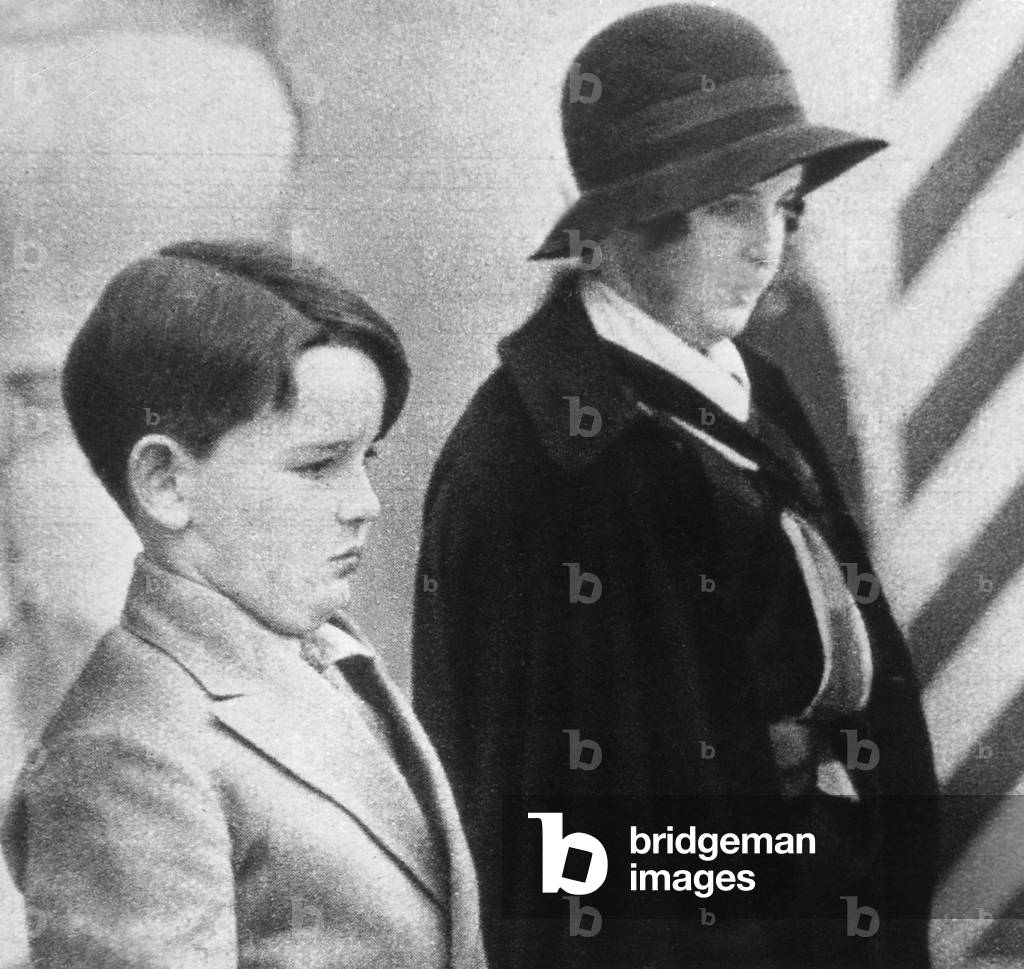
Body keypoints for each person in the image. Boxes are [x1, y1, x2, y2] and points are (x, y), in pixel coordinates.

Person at [412, 6, 938, 969]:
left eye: (785, 207)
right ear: (619, 227)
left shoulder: (747, 384)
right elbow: (566, 859)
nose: (767, 247)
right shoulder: (539, 466)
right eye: (731, 207)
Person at [1, 240, 487, 969]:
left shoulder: (326, 654)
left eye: (368, 459)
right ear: (166, 482)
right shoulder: (124, 755)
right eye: (319, 464)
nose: (365, 504)